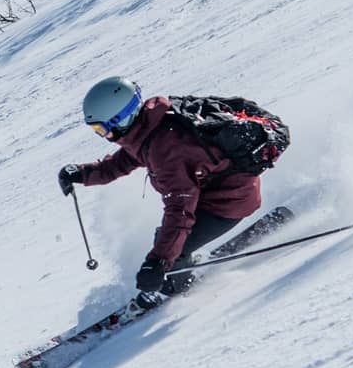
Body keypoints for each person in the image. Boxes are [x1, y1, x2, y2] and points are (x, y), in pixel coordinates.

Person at [58, 75, 263, 305]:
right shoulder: (149, 128)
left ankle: (175, 290)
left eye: (101, 129)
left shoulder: (166, 150)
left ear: (120, 118)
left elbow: (180, 211)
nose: (101, 135)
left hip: (230, 200)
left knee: (171, 250)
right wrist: (83, 174)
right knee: (169, 243)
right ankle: (178, 267)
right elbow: (124, 160)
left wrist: (158, 263)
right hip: (217, 190)